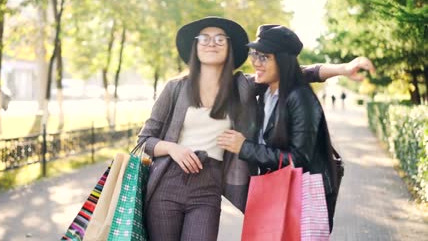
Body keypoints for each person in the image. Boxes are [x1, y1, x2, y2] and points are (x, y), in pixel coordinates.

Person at [138, 17, 374, 240]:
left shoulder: (243, 86)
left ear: (230, 49)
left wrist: (343, 69)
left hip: (208, 189)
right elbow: (144, 140)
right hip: (166, 185)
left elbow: (295, 72)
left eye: (220, 39)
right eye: (204, 38)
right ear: (195, 48)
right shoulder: (175, 88)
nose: (212, 43)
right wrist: (172, 148)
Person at [217, 25, 341, 232]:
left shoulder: (300, 98)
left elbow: (299, 159)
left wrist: (244, 147)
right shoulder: (265, 93)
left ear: (283, 61)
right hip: (274, 190)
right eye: (254, 54)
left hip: (301, 196)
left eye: (264, 56)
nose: (256, 62)